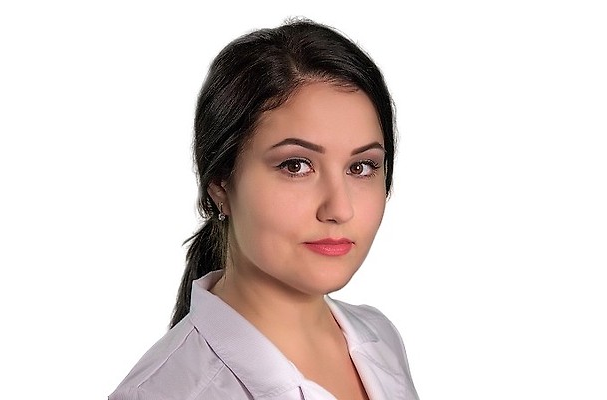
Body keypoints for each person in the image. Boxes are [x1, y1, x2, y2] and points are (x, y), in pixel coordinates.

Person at [110, 19, 419, 400]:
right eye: (296, 166)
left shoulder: (380, 338)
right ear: (220, 182)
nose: (339, 209)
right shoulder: (166, 393)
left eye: (361, 167)